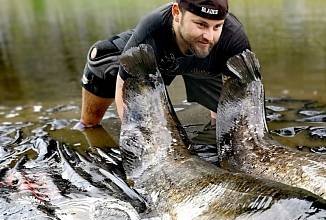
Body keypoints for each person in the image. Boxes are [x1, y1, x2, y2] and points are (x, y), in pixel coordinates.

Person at [76, 0, 249, 130]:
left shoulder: (234, 38)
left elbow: (243, 98)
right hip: (157, 59)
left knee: (231, 122)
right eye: (201, 24)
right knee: (102, 56)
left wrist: (219, 120)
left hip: (204, 66)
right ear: (176, 12)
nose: (209, 36)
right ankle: (88, 127)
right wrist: (136, 136)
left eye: (217, 26)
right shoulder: (152, 29)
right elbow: (124, 88)